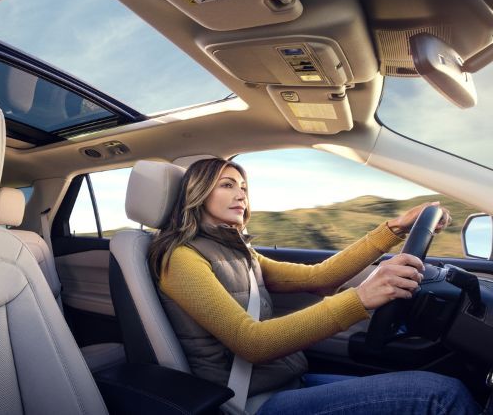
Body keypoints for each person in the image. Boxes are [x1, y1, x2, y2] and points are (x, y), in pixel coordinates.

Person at [149, 158, 480, 414]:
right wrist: (361, 298)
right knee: (441, 397)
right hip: (248, 401)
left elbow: (318, 278)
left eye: (244, 187)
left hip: (288, 383)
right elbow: (252, 344)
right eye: (227, 185)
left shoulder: (238, 253)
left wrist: (393, 228)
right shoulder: (180, 258)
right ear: (198, 192)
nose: (241, 195)